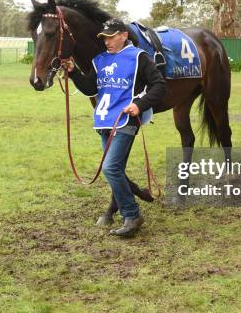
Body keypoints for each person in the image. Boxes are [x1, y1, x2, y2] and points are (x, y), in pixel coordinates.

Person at [62, 18, 167, 237]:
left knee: (110, 168)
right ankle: (134, 201)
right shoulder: (100, 60)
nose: (107, 41)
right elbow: (91, 87)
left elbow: (159, 85)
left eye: (111, 37)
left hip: (125, 121)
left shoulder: (139, 57)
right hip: (103, 122)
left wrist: (140, 105)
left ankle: (132, 215)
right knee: (114, 170)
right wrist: (73, 72)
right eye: (104, 38)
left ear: (124, 35)